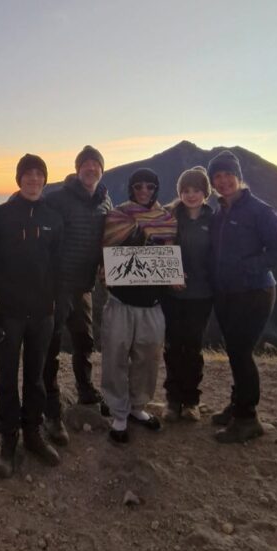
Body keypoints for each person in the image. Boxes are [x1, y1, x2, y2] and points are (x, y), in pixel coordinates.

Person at [0, 154, 64, 478]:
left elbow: (59, 265)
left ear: (45, 179)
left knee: (36, 378)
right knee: (7, 378)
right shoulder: (0, 216)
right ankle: (8, 441)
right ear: (18, 179)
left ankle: (33, 435)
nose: (33, 179)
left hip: (43, 313)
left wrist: (57, 304)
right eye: (28, 174)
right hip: (7, 313)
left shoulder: (54, 217)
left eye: (39, 174)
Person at [207, 149, 277, 443]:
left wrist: (247, 267)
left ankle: (248, 418)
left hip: (255, 292)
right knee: (234, 350)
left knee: (241, 352)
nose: (223, 181)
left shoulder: (260, 211)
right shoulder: (219, 213)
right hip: (227, 293)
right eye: (217, 176)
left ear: (238, 177)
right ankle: (237, 403)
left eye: (228, 174)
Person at [100, 168, 177, 443]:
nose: (144, 191)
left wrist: (175, 274)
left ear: (156, 189)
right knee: (115, 356)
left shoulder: (167, 219)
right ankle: (118, 412)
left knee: (148, 358)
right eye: (138, 186)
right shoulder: (117, 216)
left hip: (152, 303)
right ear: (131, 188)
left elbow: (169, 255)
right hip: (121, 300)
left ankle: (137, 407)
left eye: (149, 186)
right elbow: (106, 253)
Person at [42, 146, 112, 445]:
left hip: (84, 286)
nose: (91, 169)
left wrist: (108, 266)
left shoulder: (105, 201)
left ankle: (85, 389)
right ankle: (51, 404)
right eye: (86, 164)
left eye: (95, 164)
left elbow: (110, 238)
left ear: (101, 170)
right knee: (52, 344)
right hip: (57, 285)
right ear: (77, 168)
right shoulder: (57, 197)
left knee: (84, 340)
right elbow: (36, 222)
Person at [162, 166, 215, 422]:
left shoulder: (214, 220)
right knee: (172, 346)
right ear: (179, 192)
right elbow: (158, 250)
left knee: (193, 347)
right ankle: (173, 400)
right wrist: (171, 274)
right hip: (171, 295)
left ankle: (191, 401)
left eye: (196, 190)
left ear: (205, 193)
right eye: (186, 190)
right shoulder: (169, 217)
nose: (191, 195)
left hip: (202, 295)